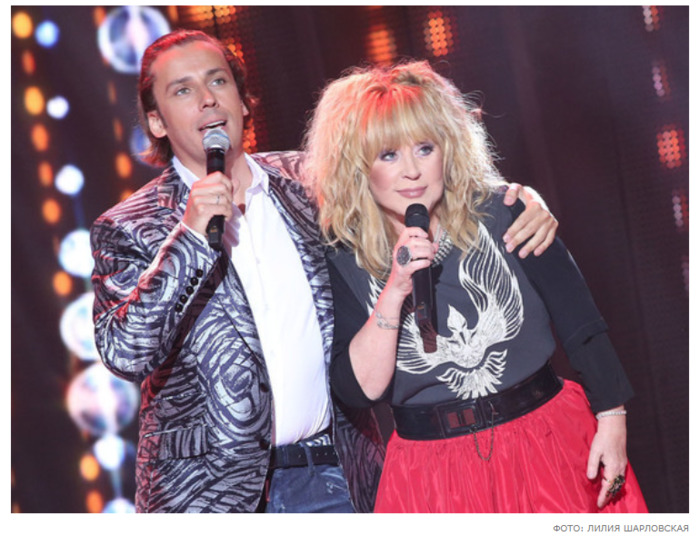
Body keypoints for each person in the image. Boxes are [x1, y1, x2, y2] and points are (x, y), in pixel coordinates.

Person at [90, 30, 558, 513]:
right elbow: (125, 353)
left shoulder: (308, 183)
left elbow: (416, 184)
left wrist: (516, 199)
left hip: (334, 476)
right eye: (183, 90)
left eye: (218, 81)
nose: (207, 99)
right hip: (208, 495)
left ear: (244, 101)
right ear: (156, 121)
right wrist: (189, 237)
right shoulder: (128, 226)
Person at [304, 60, 648, 512]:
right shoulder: (344, 258)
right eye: (388, 155)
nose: (412, 171)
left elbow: (581, 323)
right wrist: (395, 289)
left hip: (548, 442)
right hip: (433, 475)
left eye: (424, 148)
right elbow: (357, 392)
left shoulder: (505, 212)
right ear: (358, 167)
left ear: (448, 148)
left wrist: (612, 419)